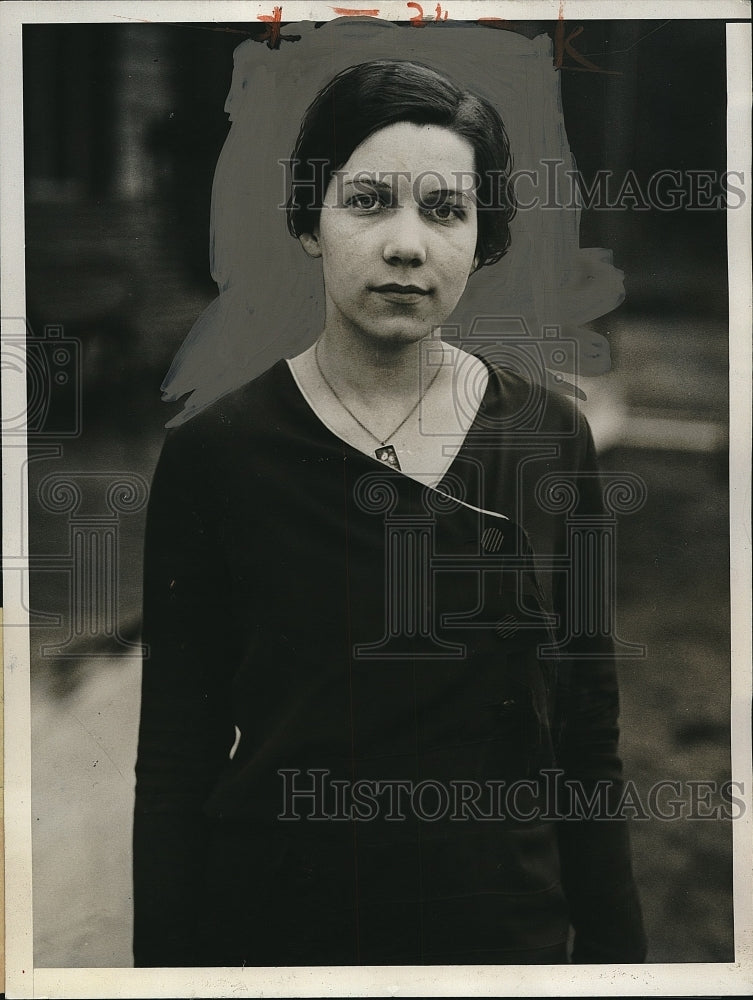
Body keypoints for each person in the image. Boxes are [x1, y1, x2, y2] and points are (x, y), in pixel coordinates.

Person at [133, 59, 646, 967]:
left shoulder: (547, 439)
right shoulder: (219, 454)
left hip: (498, 938)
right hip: (275, 940)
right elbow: (177, 757)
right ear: (307, 222)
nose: (406, 245)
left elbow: (585, 736)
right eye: (368, 200)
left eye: (445, 210)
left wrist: (615, 964)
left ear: (483, 240)